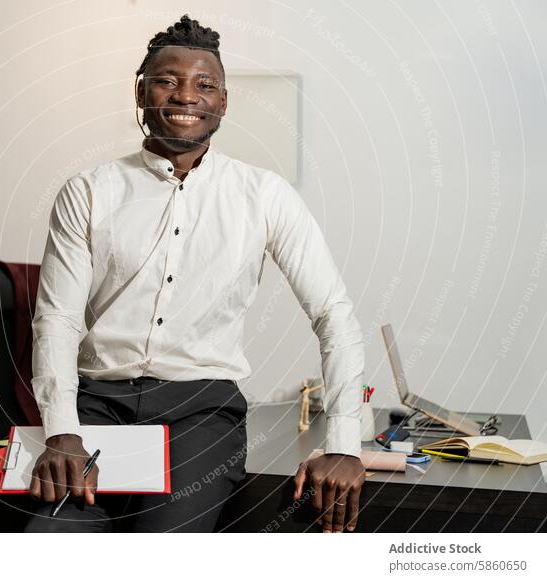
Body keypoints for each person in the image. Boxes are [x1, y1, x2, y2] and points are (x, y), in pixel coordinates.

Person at [25, 14, 365, 533]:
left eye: (205, 85)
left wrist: (342, 443)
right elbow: (58, 318)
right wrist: (61, 430)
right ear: (141, 93)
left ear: (223, 101)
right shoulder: (89, 191)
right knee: (48, 541)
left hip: (200, 411)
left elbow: (332, 314)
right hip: (97, 405)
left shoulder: (263, 195)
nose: (186, 96)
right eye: (168, 81)